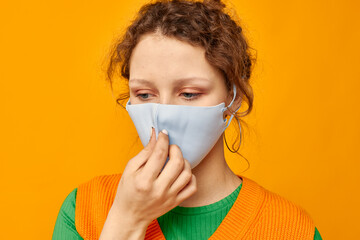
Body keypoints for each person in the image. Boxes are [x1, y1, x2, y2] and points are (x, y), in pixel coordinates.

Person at [52, 0, 323, 239]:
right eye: (145, 94)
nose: (164, 112)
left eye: (189, 94)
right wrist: (126, 220)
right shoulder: (84, 210)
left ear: (234, 97)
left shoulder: (291, 229)